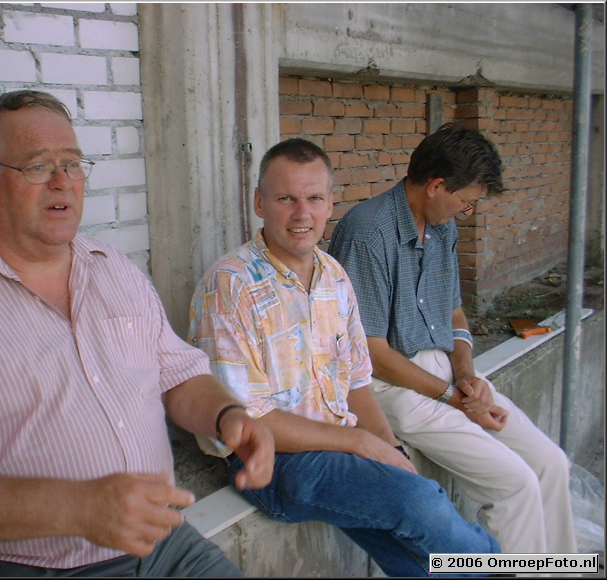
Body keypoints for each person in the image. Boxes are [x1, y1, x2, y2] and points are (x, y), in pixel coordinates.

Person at [0, 90, 275, 577]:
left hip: (164, 543)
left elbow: (177, 374)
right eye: (38, 166)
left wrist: (229, 415)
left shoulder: (114, 270)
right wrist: (80, 508)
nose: (63, 182)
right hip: (31, 566)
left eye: (73, 164)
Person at [187, 137, 500, 577]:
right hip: (273, 464)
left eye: (314, 198)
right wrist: (360, 443)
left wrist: (390, 450)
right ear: (259, 202)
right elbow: (249, 420)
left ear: (330, 204)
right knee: (420, 502)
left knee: (412, 545)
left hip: (335, 446)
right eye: (285, 199)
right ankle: (510, 566)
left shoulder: (334, 275)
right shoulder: (230, 284)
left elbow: (356, 384)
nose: (302, 213)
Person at [328, 122, 577, 555]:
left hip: (445, 373)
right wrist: (450, 395)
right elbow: (370, 352)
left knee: (551, 464)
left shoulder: (442, 226)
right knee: (514, 484)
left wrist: (468, 377)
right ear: (436, 185)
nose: (468, 212)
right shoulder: (368, 231)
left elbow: (454, 311)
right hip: (389, 386)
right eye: (465, 202)